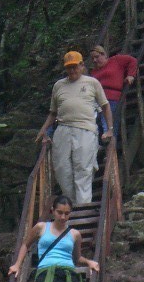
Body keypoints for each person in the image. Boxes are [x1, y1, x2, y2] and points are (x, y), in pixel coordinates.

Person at [35, 51, 114, 206]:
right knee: (61, 168)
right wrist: (43, 130)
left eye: (75, 66)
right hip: (63, 129)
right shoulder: (59, 85)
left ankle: (83, 207)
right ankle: (70, 205)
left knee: (83, 168)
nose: (72, 70)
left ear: (82, 65)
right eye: (69, 67)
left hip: (86, 129)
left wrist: (109, 129)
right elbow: (53, 112)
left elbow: (105, 106)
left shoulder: (92, 83)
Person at [90, 46, 137, 140]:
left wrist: (130, 75)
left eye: (97, 57)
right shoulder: (94, 72)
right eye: (92, 58)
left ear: (104, 54)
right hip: (96, 102)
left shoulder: (115, 60)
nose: (94, 60)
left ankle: (110, 151)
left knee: (108, 128)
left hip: (111, 99)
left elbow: (133, 61)